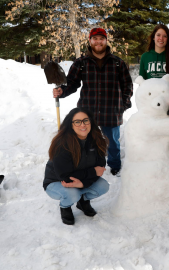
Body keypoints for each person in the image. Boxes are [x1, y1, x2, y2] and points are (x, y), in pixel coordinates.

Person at [53, 28, 133, 176]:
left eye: (101, 38)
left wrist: (123, 104)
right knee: (86, 142)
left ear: (106, 40)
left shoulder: (117, 63)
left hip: (111, 111)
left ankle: (115, 168)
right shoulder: (81, 63)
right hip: (88, 111)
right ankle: (86, 167)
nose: (98, 41)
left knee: (113, 143)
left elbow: (127, 85)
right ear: (90, 41)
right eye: (95, 38)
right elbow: (72, 83)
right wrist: (62, 91)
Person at [43, 108, 110, 225]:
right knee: (72, 193)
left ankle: (83, 201)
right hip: (57, 181)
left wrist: (83, 183)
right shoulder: (62, 144)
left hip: (80, 179)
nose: (82, 125)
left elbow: (100, 168)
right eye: (77, 122)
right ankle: (65, 206)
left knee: (103, 186)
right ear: (71, 125)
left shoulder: (97, 139)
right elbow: (65, 176)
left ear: (91, 122)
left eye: (85, 120)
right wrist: (92, 174)